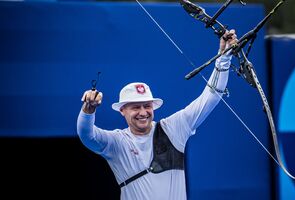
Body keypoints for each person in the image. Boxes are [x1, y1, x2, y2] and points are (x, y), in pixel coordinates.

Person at [77, 29, 237, 200]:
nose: (143, 112)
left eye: (147, 106)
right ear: (122, 111)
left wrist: (224, 58)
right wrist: (88, 108)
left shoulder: (173, 128)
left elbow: (210, 97)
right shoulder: (117, 142)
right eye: (135, 107)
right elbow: (87, 135)